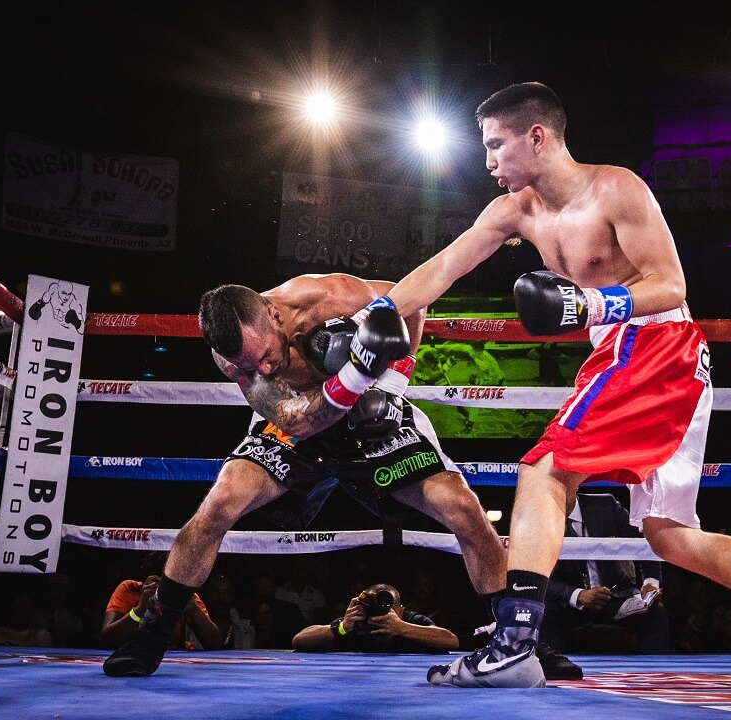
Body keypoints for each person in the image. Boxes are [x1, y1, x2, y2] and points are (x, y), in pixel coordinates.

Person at [380, 81, 731, 687]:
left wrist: (588, 303)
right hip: (650, 359)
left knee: (544, 471)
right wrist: (366, 319)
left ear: (537, 137)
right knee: (670, 537)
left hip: (656, 344)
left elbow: (671, 285)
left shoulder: (615, 189)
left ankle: (513, 645)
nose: (487, 162)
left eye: (496, 145)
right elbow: (440, 271)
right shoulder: (515, 211)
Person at [103, 274, 509, 676]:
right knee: (220, 502)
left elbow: (413, 301)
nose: (262, 367)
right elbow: (293, 421)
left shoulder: (327, 298)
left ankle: (516, 641)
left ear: (274, 314)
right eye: (250, 365)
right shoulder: (232, 356)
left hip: (369, 417)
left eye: (264, 354)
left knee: (463, 508)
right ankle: (151, 635)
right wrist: (350, 378)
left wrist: (392, 381)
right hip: (297, 420)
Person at [542, 491, 669, 661]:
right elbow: (533, 574)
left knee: (655, 611)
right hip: (568, 605)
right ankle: (554, 673)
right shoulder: (536, 519)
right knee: (544, 611)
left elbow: (643, 540)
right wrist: (577, 595)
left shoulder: (606, 506)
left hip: (614, 598)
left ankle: (655, 674)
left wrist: (650, 582)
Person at [100, 551, 223, 652]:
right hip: (132, 656)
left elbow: (215, 644)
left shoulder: (186, 595)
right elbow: (106, 640)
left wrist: (193, 609)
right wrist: (141, 609)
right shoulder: (130, 589)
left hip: (173, 663)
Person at [291, 583, 458, 653]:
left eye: (388, 605)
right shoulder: (356, 621)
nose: (381, 611)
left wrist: (402, 628)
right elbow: (299, 640)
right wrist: (342, 627)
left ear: (400, 611)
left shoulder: (409, 622)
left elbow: (451, 641)